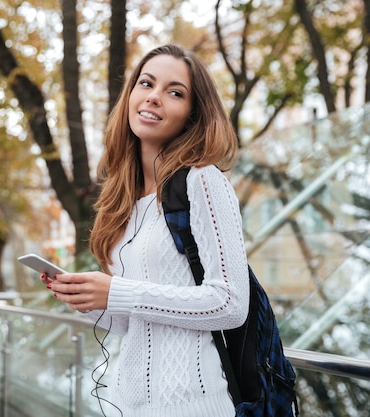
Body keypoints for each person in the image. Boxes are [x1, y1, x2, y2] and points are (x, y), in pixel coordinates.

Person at [41, 44, 249, 417]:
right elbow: (135, 321)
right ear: (131, 95)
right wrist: (86, 299)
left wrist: (118, 291)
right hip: (126, 403)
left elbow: (231, 304)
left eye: (174, 92)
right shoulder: (125, 199)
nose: (154, 97)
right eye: (146, 83)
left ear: (191, 115)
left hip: (191, 405)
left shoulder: (204, 182)